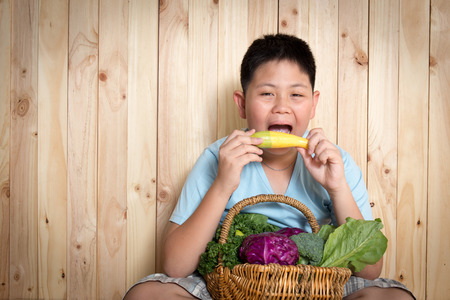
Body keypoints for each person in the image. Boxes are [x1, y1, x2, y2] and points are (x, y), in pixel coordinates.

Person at [124, 34, 415, 300]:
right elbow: (175, 265)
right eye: (266, 94)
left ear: (313, 105)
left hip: (317, 285)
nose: (281, 107)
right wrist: (223, 184)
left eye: (296, 95)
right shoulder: (217, 157)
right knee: (147, 294)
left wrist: (337, 187)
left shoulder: (336, 162)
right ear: (241, 104)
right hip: (230, 285)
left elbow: (370, 270)